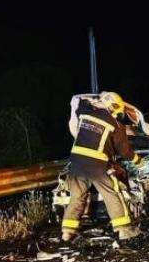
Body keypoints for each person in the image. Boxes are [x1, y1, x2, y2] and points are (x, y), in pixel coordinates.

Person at [61, 91, 144, 243]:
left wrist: (95, 98)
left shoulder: (85, 113)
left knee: (77, 197)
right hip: (97, 165)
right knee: (112, 193)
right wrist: (139, 161)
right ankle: (124, 230)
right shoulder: (116, 124)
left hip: (76, 163)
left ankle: (67, 232)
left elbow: (78, 102)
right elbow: (124, 151)